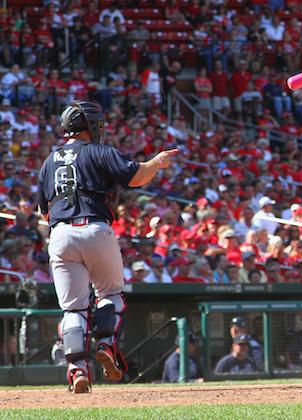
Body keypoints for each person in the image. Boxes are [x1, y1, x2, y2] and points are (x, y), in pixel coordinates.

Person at [37, 100, 179, 393]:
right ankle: (105, 345)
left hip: (60, 234)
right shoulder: (99, 151)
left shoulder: (49, 161)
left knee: (73, 308)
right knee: (110, 295)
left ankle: (77, 369)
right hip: (94, 228)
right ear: (88, 125)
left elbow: (44, 212)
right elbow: (137, 176)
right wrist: (157, 162)